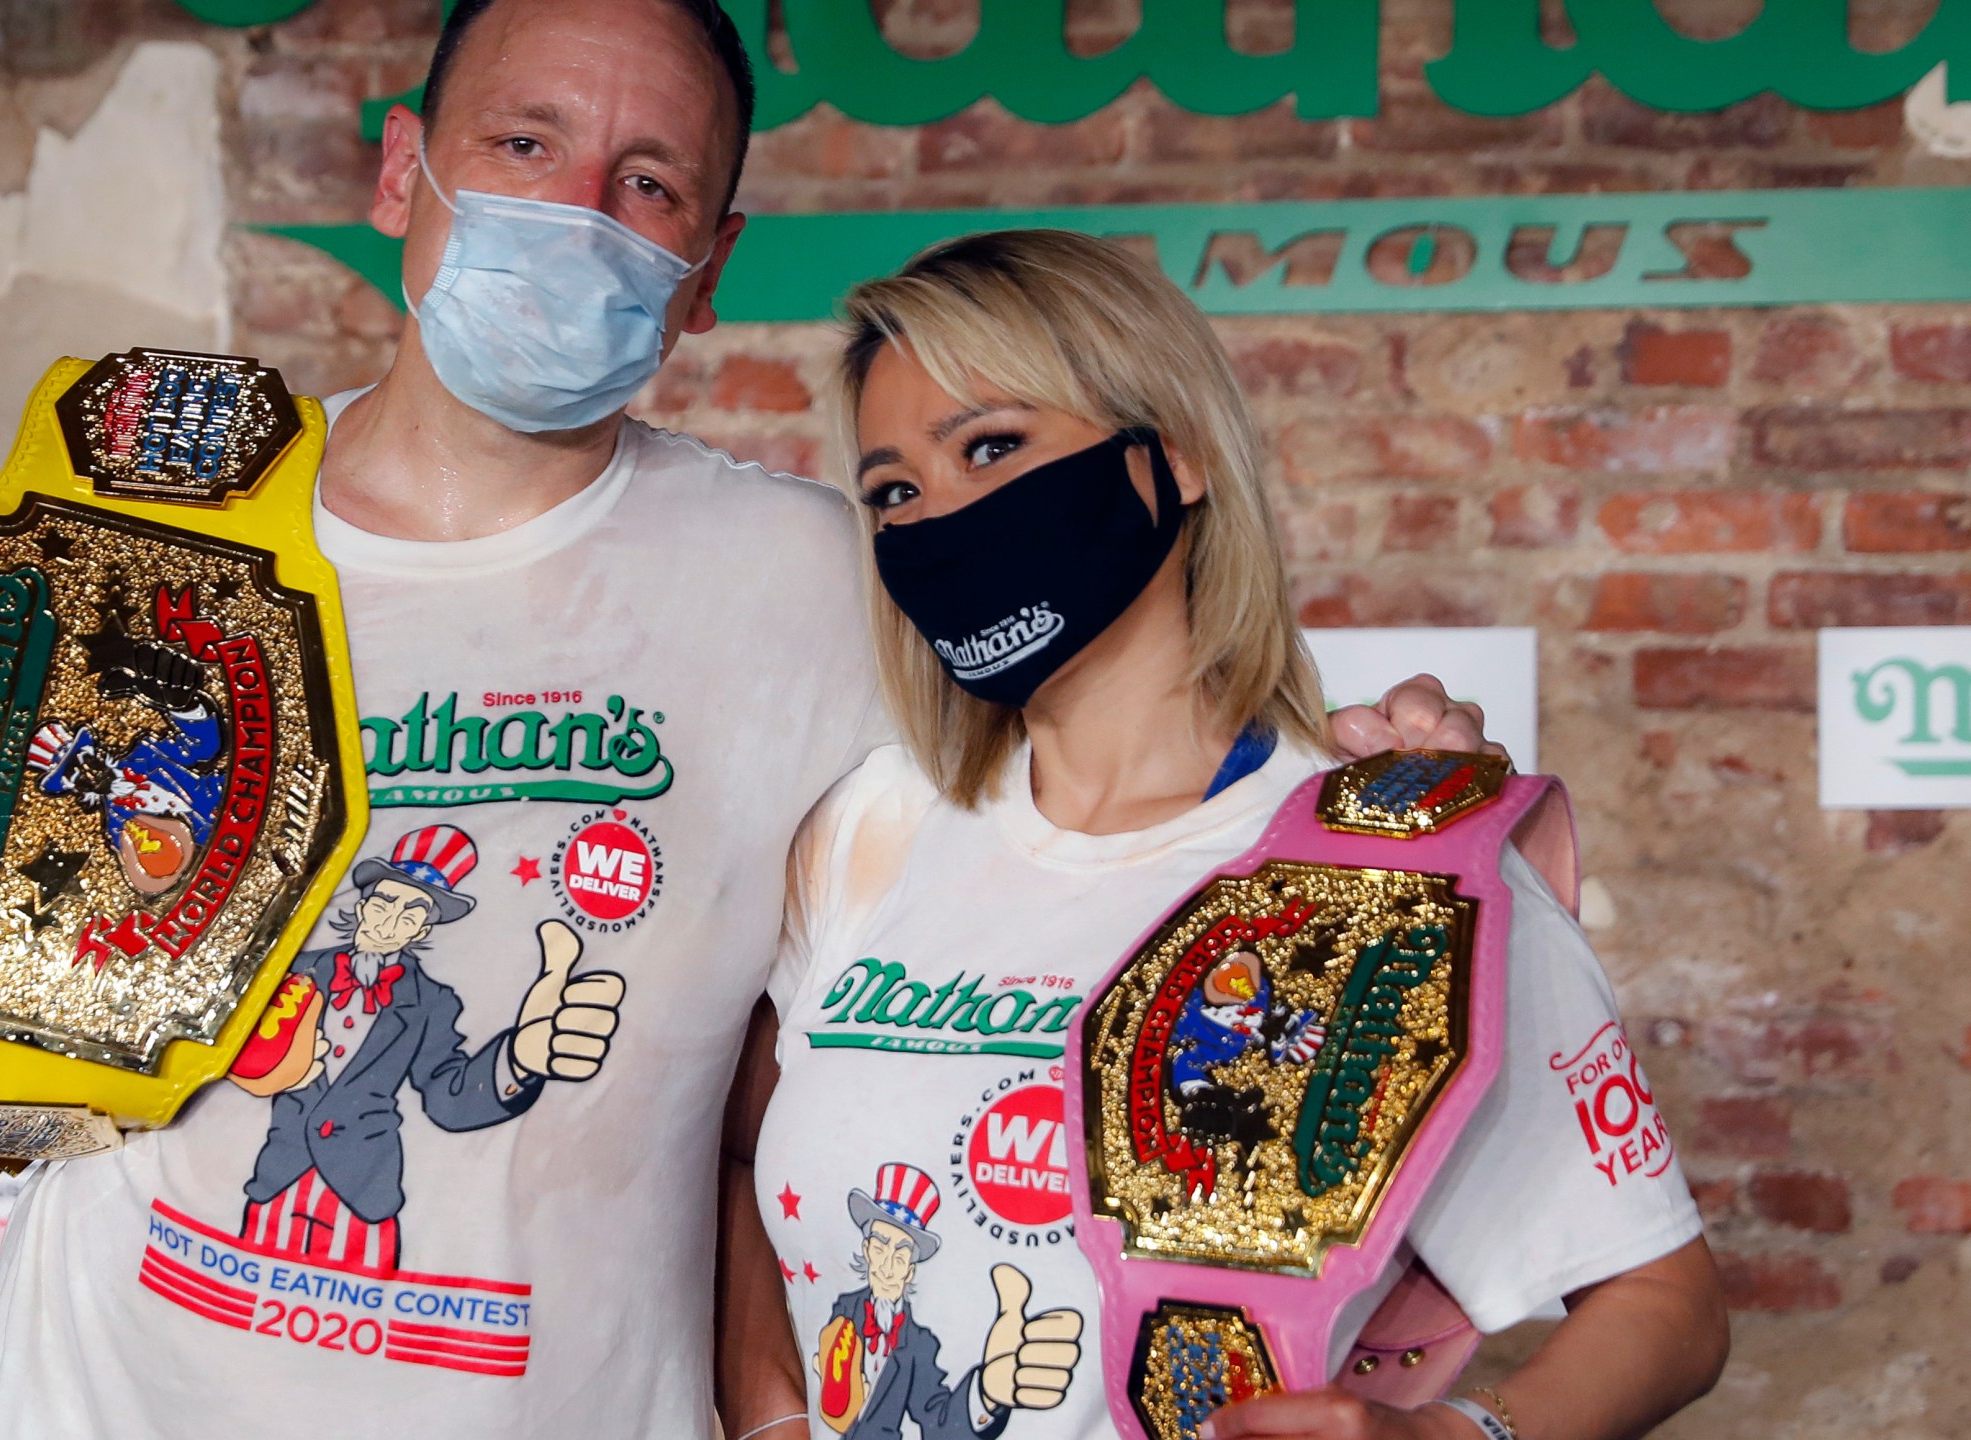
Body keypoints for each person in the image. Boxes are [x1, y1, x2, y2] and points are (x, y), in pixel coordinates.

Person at [0, 4, 1493, 1437]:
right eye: (525, 146)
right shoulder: (159, 516)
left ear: (709, 264)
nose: (580, 209)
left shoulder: (820, 579)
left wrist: (1368, 780)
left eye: (647, 183)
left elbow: (1120, 790)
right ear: (404, 169)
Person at [723, 231, 1728, 1440]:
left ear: (1176, 455)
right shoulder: (865, 832)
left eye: (992, 447)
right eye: (894, 492)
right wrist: (775, 1417)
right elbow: (731, 1163)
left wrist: (1452, 1437)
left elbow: (1666, 1303)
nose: (943, 520)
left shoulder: (1389, 867)